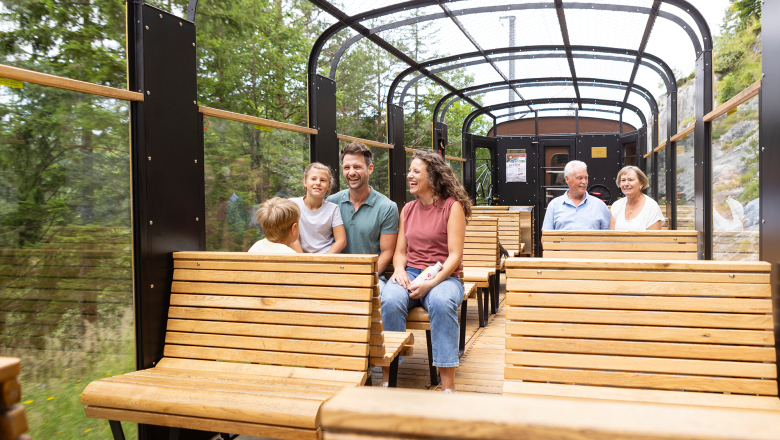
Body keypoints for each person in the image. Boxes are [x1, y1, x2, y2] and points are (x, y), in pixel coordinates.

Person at [381, 151, 470, 393]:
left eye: (416, 171)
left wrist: (431, 284)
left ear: (432, 176)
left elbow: (455, 256)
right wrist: (399, 270)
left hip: (444, 277)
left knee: (441, 303)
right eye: (409, 171)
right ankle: (389, 378)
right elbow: (400, 251)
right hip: (410, 272)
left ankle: (448, 387)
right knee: (389, 300)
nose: (409, 175)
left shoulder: (453, 207)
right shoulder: (407, 209)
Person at [327, 142, 398, 289]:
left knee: (384, 301)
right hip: (336, 278)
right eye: (347, 167)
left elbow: (387, 253)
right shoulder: (331, 202)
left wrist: (364, 279)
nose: (351, 172)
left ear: (370, 168)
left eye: (357, 167)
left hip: (372, 278)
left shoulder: (387, 207)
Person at [290, 162, 346, 254]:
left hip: (327, 259)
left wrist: (323, 262)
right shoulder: (293, 205)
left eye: (323, 180)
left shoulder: (333, 208)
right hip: (302, 260)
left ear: (329, 186)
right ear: (305, 182)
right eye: (313, 178)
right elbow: (293, 239)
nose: (318, 183)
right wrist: (303, 263)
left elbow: (341, 241)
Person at [542, 160, 611, 231]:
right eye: (580, 178)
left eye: (586, 178)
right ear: (567, 179)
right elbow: (545, 237)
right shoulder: (554, 205)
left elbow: (609, 237)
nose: (584, 182)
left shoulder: (600, 205)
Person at [610, 166, 664, 230]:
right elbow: (611, 236)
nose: (626, 184)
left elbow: (653, 239)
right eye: (623, 180)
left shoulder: (651, 206)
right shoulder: (616, 206)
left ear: (641, 184)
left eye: (630, 180)